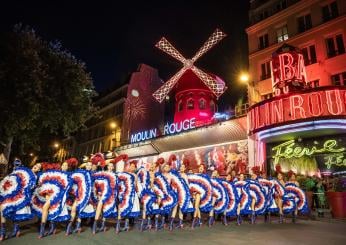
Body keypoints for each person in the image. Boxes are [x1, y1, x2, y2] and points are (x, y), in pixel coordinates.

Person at [0, 161, 41, 241]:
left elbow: (30, 188)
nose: (36, 166)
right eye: (36, 164)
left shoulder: (35, 177)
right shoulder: (23, 171)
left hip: (21, 197)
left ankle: (15, 230)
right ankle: (3, 232)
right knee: (2, 209)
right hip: (11, 194)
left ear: (39, 170)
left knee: (15, 212)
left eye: (38, 167)